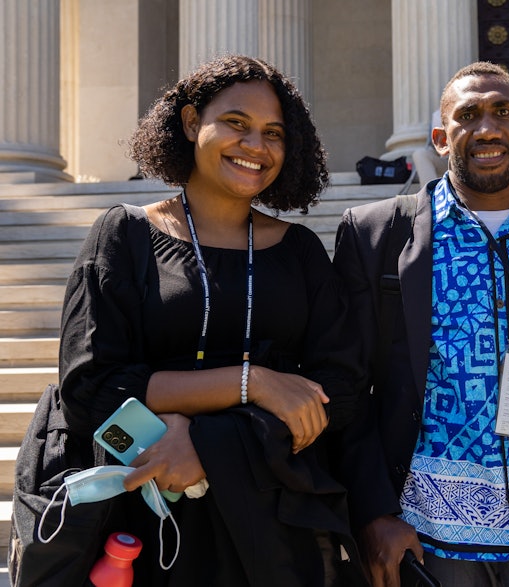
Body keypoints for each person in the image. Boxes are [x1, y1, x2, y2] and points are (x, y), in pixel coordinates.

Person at [57, 54, 364, 585]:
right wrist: (257, 383)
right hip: (146, 525)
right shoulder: (123, 236)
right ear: (191, 121)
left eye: (274, 133)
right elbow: (90, 389)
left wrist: (209, 444)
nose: (256, 146)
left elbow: (342, 390)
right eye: (237, 124)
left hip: (278, 525)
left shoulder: (301, 253)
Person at [333, 61, 509, 587]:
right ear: (439, 136)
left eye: (503, 112)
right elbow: (345, 384)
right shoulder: (376, 234)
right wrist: (372, 511)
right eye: (467, 114)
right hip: (427, 538)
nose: (488, 128)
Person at [411, 108, 447, 186]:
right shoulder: (438, 114)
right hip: (446, 161)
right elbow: (438, 145)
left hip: (467, 163)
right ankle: (431, 195)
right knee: (420, 154)